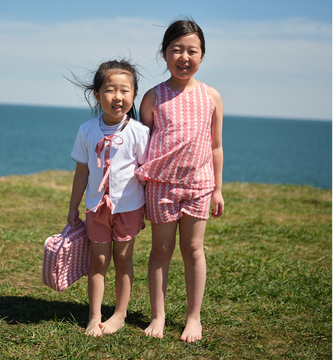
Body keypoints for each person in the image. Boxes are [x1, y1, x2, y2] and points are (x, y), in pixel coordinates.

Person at [135, 19, 224, 343]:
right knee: (160, 249)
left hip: (199, 185)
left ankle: (193, 317)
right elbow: (140, 146)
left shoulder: (211, 96)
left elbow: (215, 145)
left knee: (193, 248)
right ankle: (157, 316)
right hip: (161, 186)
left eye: (192, 50)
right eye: (177, 50)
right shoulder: (152, 97)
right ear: (164, 54)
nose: (184, 57)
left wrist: (218, 190)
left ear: (202, 55)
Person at [67, 60, 150, 336]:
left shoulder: (139, 132)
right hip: (95, 208)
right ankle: (93, 315)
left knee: (124, 260)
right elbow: (81, 172)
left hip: (129, 208)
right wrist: (73, 207)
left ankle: (120, 314)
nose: (118, 97)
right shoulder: (86, 130)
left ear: (134, 95)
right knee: (99, 261)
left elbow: (146, 174)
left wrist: (148, 210)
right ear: (97, 94)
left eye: (125, 91)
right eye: (110, 90)